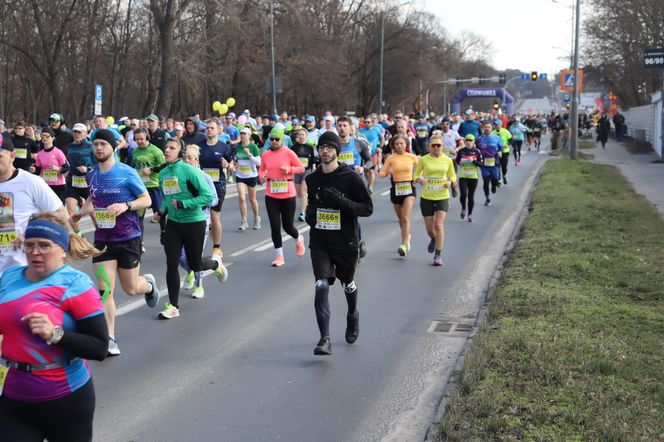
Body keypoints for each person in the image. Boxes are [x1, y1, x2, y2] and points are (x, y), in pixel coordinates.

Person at [0, 211, 108, 442]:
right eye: (29, 245)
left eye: (44, 245)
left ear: (62, 249)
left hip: (65, 398)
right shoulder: (9, 278)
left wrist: (56, 334)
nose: (35, 252)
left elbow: (99, 347)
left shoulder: (76, 284)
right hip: (14, 396)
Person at [70, 129, 160, 356]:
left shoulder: (127, 173)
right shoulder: (91, 175)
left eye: (102, 144)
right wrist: (81, 213)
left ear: (112, 147)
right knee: (104, 290)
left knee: (131, 288)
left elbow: (146, 200)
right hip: (102, 240)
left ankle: (148, 285)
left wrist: (126, 206)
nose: (98, 148)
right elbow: (94, 196)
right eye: (95, 144)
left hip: (128, 237)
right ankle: (110, 338)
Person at [305, 131, 373, 355]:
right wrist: (310, 215)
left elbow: (367, 208)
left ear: (336, 151)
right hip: (321, 241)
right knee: (321, 284)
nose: (324, 151)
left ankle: (352, 314)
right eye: (321, 147)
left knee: (348, 284)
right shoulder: (312, 178)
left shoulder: (351, 177)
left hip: (345, 242)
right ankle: (324, 339)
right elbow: (310, 207)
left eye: (329, 147)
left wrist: (341, 201)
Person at [155, 138, 227, 319]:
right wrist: (162, 212)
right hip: (173, 224)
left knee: (195, 264)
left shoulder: (189, 171)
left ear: (180, 152)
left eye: (172, 148)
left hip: (194, 223)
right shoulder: (163, 173)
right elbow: (166, 196)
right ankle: (173, 306)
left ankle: (215, 264)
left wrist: (184, 203)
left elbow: (209, 196)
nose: (167, 150)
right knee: (172, 263)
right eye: (166, 147)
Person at [0, 135, 65, 276]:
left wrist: (32, 234)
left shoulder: (30, 182)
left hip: (21, 273)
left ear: (12, 156)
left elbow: (61, 215)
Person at [258, 127, 306, 267]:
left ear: (282, 140)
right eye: (271, 139)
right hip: (271, 194)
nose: (274, 141)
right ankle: (279, 256)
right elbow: (261, 169)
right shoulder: (266, 154)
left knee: (288, 226)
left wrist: (289, 169)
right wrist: (262, 175)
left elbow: (301, 168)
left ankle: (298, 238)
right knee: (275, 226)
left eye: (276, 139)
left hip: (287, 194)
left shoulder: (289, 153)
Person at [180, 145, 219, 299]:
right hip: (182, 221)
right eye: (185, 158)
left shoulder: (204, 177)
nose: (187, 161)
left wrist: (197, 202)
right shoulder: (180, 177)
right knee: (182, 258)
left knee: (195, 256)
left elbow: (214, 200)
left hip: (200, 220)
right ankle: (190, 271)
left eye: (190, 158)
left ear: (196, 160)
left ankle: (199, 285)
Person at [413, 134, 456, 266]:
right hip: (427, 196)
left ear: (442, 146)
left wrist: (450, 183)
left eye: (439, 145)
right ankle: (433, 238)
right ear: (429, 147)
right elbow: (415, 175)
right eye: (434, 145)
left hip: (442, 195)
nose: (436, 148)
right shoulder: (424, 160)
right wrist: (419, 179)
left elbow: (453, 177)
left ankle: (438, 255)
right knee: (430, 229)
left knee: (438, 225)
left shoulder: (448, 160)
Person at [198, 118, 234, 258]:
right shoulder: (200, 146)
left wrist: (227, 166)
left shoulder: (224, 147)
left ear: (219, 130)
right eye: (207, 128)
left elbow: (232, 166)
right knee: (202, 217)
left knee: (214, 215)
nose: (209, 130)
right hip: (202, 185)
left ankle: (216, 247)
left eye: (212, 128)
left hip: (218, 185)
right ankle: (203, 242)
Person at [379, 134, 418, 256]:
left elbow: (421, 169)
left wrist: (417, 177)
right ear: (393, 146)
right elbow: (381, 173)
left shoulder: (412, 157)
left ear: (406, 144)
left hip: (409, 189)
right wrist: (387, 172)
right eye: (397, 144)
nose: (399, 146)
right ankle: (407, 237)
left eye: (402, 143)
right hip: (396, 189)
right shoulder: (391, 158)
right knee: (401, 219)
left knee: (406, 218)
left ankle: (404, 244)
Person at [131, 128, 166, 243]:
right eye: (137, 139)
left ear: (147, 138)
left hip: (154, 186)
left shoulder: (156, 151)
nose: (139, 141)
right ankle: (140, 241)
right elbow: (132, 167)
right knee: (139, 215)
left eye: (141, 139)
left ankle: (164, 232)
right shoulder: (135, 152)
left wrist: (152, 169)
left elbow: (165, 167)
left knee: (160, 213)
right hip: (140, 188)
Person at [65, 123, 96, 233]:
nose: (76, 134)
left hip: (88, 183)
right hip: (73, 183)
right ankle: (79, 237)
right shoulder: (69, 147)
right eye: (75, 132)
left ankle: (102, 236)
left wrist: (87, 169)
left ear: (85, 133)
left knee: (93, 212)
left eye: (79, 132)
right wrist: (65, 170)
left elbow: (98, 165)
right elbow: (66, 162)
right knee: (70, 211)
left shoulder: (91, 146)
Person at [234, 127, 262, 230]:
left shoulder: (253, 146)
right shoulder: (238, 147)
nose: (243, 136)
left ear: (249, 136)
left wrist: (249, 155)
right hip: (240, 175)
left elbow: (259, 162)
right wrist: (235, 164)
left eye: (245, 134)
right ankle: (244, 221)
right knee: (241, 198)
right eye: (241, 134)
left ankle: (256, 218)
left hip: (251, 176)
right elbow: (236, 160)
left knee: (252, 199)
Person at [34, 128, 69, 202]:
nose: (45, 138)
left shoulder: (58, 152)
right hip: (46, 185)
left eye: (47, 136)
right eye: (43, 136)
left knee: (59, 211)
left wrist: (58, 169)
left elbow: (66, 168)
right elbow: (37, 171)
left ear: (53, 138)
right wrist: (33, 170)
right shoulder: (40, 154)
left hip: (59, 186)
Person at [455, 134, 483, 222]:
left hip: (473, 177)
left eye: (470, 140)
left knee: (471, 196)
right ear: (464, 141)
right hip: (463, 175)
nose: (468, 142)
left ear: (473, 142)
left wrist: (474, 161)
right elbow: (457, 161)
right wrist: (460, 162)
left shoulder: (477, 151)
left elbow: (481, 164)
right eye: (467, 140)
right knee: (463, 194)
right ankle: (463, 208)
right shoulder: (461, 151)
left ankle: (470, 214)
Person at [291, 128, 316, 223]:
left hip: (307, 170)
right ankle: (307, 202)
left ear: (306, 136)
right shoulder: (293, 147)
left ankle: (303, 213)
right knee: (299, 194)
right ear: (297, 137)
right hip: (297, 172)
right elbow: (290, 158)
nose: (301, 136)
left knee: (303, 190)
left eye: (303, 134)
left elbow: (313, 158)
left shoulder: (309, 147)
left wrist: (313, 166)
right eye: (299, 135)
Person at [476, 122, 503, 206]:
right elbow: (476, 150)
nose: (487, 129)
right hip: (484, 163)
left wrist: (500, 152)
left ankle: (494, 186)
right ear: (483, 128)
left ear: (492, 128)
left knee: (495, 179)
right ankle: (487, 198)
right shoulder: (479, 139)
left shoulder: (496, 137)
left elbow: (501, 147)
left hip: (494, 162)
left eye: (489, 127)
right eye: (485, 127)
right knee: (486, 181)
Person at [491, 119, 512, 185]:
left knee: (504, 166)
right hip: (496, 152)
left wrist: (507, 144)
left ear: (501, 125)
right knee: (497, 166)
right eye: (495, 124)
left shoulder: (506, 131)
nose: (496, 125)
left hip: (505, 151)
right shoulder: (492, 133)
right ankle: (499, 179)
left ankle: (504, 175)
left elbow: (511, 140)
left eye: (498, 124)